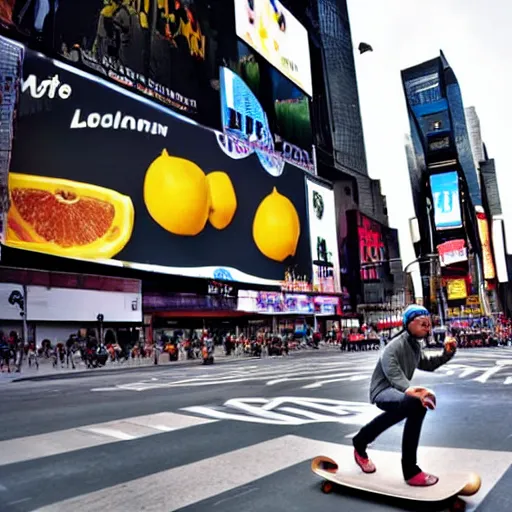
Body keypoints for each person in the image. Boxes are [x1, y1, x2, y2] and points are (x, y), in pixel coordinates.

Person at [352, 305, 457, 487]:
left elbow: (428, 364)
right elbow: (393, 374)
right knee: (416, 405)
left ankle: (360, 441)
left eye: (429, 324)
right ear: (408, 324)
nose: (427, 328)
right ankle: (410, 470)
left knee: (406, 409)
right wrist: (415, 392)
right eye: (423, 324)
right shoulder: (394, 346)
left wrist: (447, 354)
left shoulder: (414, 346)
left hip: (400, 392)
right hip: (383, 391)